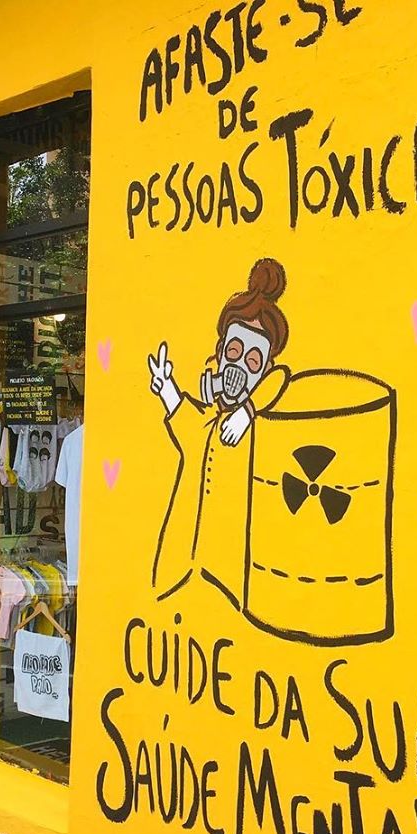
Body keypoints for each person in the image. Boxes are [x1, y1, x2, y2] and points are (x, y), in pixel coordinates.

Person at [147, 258, 291, 604]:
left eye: (253, 361)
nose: (239, 366)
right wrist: (166, 386)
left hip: (229, 579)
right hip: (179, 570)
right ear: (220, 352)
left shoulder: (257, 428)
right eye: (234, 351)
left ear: (264, 369)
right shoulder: (205, 421)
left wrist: (247, 412)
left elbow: (282, 377)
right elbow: (182, 414)